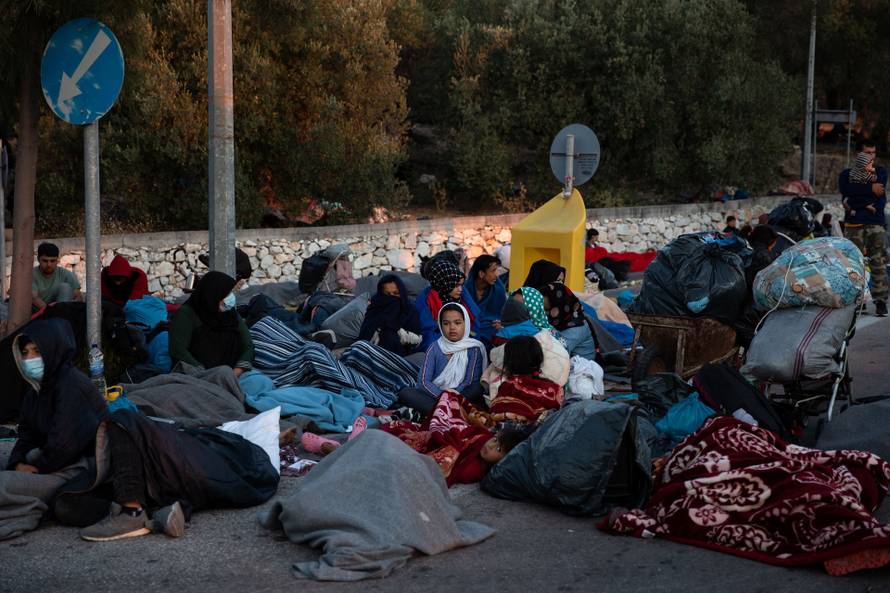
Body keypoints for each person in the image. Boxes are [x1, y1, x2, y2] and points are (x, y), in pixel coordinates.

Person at [7, 319, 107, 475]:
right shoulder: (37, 388)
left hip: (86, 464)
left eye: (37, 351)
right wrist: (17, 462)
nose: (29, 359)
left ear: (53, 350)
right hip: (51, 460)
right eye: (25, 353)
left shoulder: (71, 385)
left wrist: (37, 469)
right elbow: (26, 433)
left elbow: (64, 445)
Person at [396, 303, 487, 416]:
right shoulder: (434, 348)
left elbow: (469, 381)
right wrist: (443, 397)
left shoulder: (474, 349)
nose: (452, 327)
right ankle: (451, 413)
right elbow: (424, 382)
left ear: (466, 323)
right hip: (436, 397)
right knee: (406, 393)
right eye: (446, 323)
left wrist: (454, 397)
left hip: (463, 396)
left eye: (457, 323)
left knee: (477, 388)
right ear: (440, 325)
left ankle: (445, 413)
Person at [168, 271, 254, 374]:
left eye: (231, 292)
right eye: (226, 294)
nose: (230, 297)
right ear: (213, 295)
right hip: (198, 376)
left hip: (234, 373)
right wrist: (207, 374)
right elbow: (178, 351)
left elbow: (248, 345)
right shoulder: (187, 314)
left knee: (261, 382)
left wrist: (236, 372)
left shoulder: (230, 314)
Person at [839, 139, 888, 316]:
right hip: (853, 225)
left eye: (873, 153)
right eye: (867, 152)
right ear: (858, 154)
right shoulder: (846, 175)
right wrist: (869, 192)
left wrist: (855, 202)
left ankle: (881, 301)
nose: (870, 156)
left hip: (875, 224)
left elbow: (879, 196)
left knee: (878, 262)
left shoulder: (880, 172)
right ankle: (859, 300)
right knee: (854, 265)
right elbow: (846, 194)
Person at [414, 258, 480, 351]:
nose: (460, 289)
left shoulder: (462, 296)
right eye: (456, 285)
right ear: (444, 282)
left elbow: (474, 321)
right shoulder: (427, 299)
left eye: (461, 285)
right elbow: (427, 328)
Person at [357, 274, 421, 356]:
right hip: (370, 351)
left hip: (397, 356)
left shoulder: (409, 310)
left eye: (396, 293)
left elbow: (417, 340)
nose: (392, 298)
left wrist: (397, 331)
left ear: (401, 292)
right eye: (387, 294)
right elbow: (365, 332)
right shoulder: (375, 307)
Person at [539, 282, 596, 360]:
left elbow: (555, 354)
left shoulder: (575, 328)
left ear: (562, 306)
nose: (544, 313)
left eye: (547, 309)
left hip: (579, 369)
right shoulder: (561, 320)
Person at [465, 254, 507, 344]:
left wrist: (500, 323)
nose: (497, 275)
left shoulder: (498, 291)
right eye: (493, 271)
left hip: (491, 329)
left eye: (497, 271)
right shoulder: (465, 291)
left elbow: (502, 316)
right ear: (481, 274)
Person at [31, 243, 82, 310]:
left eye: (52, 261)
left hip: (62, 313)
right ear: (38, 259)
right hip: (38, 313)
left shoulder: (66, 274)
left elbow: (78, 297)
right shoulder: (31, 274)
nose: (49, 264)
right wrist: (51, 312)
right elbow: (34, 298)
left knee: (65, 287)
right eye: (45, 261)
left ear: (57, 260)